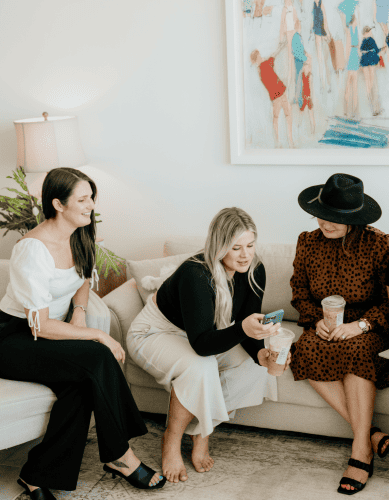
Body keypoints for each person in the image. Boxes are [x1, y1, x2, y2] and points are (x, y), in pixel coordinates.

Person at [0, 168, 166, 500]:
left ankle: (36, 476)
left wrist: (78, 313)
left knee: (79, 388)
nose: (90, 205)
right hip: (14, 338)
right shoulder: (33, 249)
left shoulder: (81, 236)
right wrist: (97, 335)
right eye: (82, 199)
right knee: (98, 355)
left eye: (91, 197)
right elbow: (40, 325)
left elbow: (83, 282)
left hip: (50, 333)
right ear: (57, 204)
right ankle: (122, 457)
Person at [127, 207, 290, 484]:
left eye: (250, 245)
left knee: (252, 368)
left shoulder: (254, 269)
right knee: (200, 365)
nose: (245, 254)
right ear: (218, 246)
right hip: (155, 332)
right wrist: (241, 329)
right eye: (235, 247)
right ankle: (172, 441)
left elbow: (247, 324)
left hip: (201, 333)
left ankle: (201, 431)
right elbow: (203, 346)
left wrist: (261, 354)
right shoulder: (196, 274)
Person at [290, 173, 389, 495]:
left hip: (369, 324)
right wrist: (316, 319)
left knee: (357, 351)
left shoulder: (380, 244)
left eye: (334, 218)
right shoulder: (307, 241)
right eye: (321, 213)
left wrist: (360, 326)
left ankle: (360, 452)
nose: (324, 222)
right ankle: (374, 435)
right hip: (325, 322)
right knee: (304, 349)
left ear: (354, 219)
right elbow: (300, 292)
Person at [250, 42, 295, 148]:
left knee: (278, 117)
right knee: (284, 116)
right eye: (259, 56)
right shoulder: (265, 65)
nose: (261, 56)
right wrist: (281, 46)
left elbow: (273, 55)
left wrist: (281, 47)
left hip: (277, 96)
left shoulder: (260, 69)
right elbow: (274, 54)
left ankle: (280, 142)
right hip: (279, 94)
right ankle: (287, 141)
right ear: (257, 58)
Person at [360, 26, 386, 116]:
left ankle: (372, 108)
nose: (371, 32)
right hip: (371, 61)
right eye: (370, 31)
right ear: (367, 32)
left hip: (364, 62)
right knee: (373, 84)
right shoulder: (371, 39)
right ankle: (376, 109)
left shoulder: (363, 41)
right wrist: (384, 48)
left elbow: (361, 51)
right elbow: (377, 50)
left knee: (368, 85)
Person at [312, 0, 331, 91]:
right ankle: (323, 84)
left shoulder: (321, 4)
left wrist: (327, 33)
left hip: (322, 32)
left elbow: (325, 19)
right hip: (316, 32)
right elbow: (312, 20)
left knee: (326, 59)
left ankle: (328, 83)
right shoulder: (312, 5)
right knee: (320, 59)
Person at [344, 14, 360, 118]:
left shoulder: (349, 30)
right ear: (353, 20)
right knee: (354, 86)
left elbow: (348, 45)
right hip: (354, 55)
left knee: (349, 86)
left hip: (351, 56)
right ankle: (353, 112)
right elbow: (355, 46)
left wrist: (346, 60)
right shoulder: (355, 30)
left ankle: (347, 111)